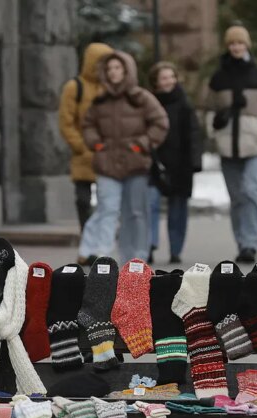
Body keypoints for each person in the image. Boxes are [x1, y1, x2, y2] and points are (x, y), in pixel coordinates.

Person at [78, 51, 169, 265]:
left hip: (135, 164)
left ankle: (137, 258)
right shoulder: (100, 101)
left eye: (117, 68)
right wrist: (97, 144)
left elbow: (160, 122)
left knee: (136, 213)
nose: (113, 73)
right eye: (109, 69)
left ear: (127, 70)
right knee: (107, 209)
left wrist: (142, 145)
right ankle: (103, 256)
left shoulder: (141, 97)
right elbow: (88, 125)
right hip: (107, 165)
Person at [207, 25, 257, 263]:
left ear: (247, 45)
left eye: (240, 43)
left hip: (253, 145)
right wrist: (214, 132)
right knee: (236, 197)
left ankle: (251, 241)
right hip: (226, 146)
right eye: (232, 43)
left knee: (250, 192)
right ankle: (242, 243)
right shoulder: (218, 78)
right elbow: (208, 108)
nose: (236, 47)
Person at [147, 61, 202, 265]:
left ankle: (176, 249)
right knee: (150, 203)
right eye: (164, 77)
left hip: (180, 163)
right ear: (156, 82)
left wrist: (195, 161)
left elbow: (194, 134)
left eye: (172, 76)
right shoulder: (149, 102)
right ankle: (149, 244)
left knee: (178, 208)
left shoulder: (184, 104)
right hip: (154, 162)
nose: (169, 81)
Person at [58, 43, 114, 230]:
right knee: (83, 200)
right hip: (83, 155)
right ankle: (87, 235)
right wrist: (80, 146)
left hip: (107, 154)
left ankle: (102, 235)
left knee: (108, 200)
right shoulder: (75, 87)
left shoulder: (110, 88)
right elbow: (66, 121)